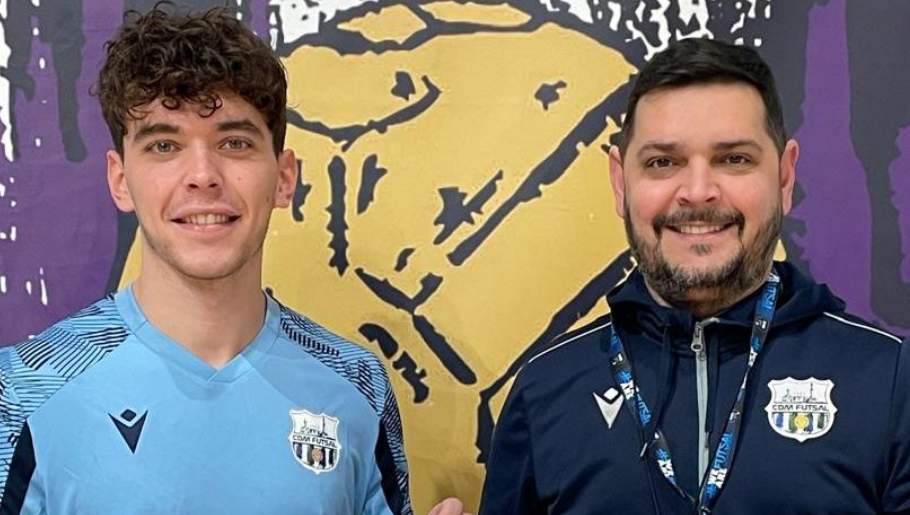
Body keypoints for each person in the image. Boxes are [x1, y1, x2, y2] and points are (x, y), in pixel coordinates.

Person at [0, 5, 413, 514]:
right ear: (120, 180)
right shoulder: (24, 389)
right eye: (164, 145)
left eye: (234, 143)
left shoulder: (357, 385)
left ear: (284, 177)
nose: (202, 175)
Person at [479, 38, 910, 514]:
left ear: (785, 177)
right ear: (621, 182)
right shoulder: (545, 390)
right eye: (663, 162)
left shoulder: (890, 381)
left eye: (734, 159)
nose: (698, 192)